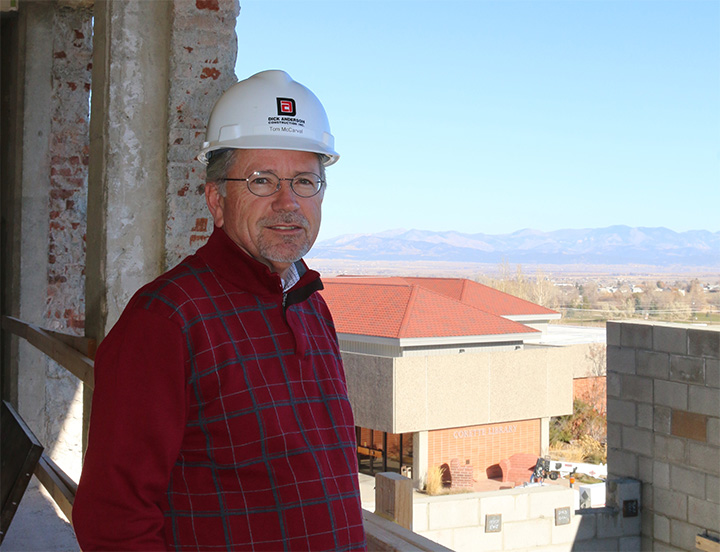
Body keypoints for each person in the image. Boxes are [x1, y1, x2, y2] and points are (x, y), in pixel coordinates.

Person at [73, 70, 367, 551]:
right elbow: (114, 519)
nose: (288, 202)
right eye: (261, 180)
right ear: (216, 199)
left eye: (305, 181)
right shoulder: (166, 321)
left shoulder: (310, 305)